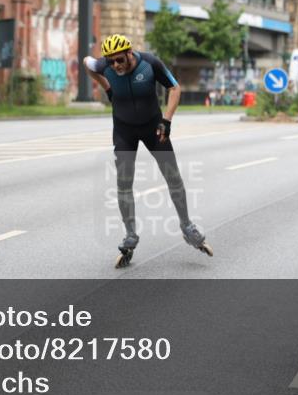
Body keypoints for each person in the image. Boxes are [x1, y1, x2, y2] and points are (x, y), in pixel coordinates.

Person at [84, 33, 213, 268]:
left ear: (129, 53)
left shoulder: (150, 63)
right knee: (123, 183)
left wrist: (167, 120)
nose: (115, 65)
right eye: (111, 62)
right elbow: (88, 63)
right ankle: (130, 235)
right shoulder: (106, 65)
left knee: (173, 176)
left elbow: (175, 88)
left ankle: (187, 226)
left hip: (155, 128)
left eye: (119, 60)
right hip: (124, 130)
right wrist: (108, 88)